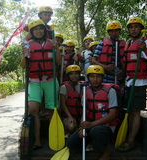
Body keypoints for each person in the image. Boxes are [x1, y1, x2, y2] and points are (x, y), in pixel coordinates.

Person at [118, 17, 147, 151]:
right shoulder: (129, 42)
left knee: (135, 112)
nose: (133, 29)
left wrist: (145, 50)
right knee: (130, 111)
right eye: (131, 27)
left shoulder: (146, 42)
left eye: (136, 27)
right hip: (130, 82)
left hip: (140, 82)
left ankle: (130, 141)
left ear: (141, 29)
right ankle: (131, 137)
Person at [21, 19, 61, 150]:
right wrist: (24, 55)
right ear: (32, 32)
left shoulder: (51, 42)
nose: (39, 31)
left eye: (41, 29)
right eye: (35, 29)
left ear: (44, 30)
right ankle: (37, 140)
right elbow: (23, 67)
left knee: (51, 110)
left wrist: (57, 49)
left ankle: (53, 138)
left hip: (50, 80)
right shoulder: (27, 44)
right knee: (33, 109)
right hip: (34, 81)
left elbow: (59, 63)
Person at [67, 65, 120, 160]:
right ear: (88, 78)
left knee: (97, 131)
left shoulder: (110, 91)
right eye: (92, 76)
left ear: (102, 78)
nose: (95, 79)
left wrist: (91, 124)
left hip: (105, 127)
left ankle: (106, 151)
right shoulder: (85, 90)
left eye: (98, 76)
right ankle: (92, 142)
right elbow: (84, 111)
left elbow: (112, 115)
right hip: (90, 125)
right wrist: (81, 128)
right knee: (71, 143)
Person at [92, 20, 126, 85]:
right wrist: (105, 67)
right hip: (104, 78)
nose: (114, 33)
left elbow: (126, 62)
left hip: (118, 78)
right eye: (111, 31)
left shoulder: (124, 45)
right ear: (108, 32)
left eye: (116, 30)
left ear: (119, 32)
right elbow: (93, 61)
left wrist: (123, 72)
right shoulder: (102, 44)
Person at [60, 65, 82, 134]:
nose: (74, 76)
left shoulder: (83, 86)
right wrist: (70, 117)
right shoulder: (64, 87)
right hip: (68, 116)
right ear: (68, 76)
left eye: (76, 74)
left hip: (80, 116)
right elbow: (63, 104)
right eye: (72, 74)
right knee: (71, 127)